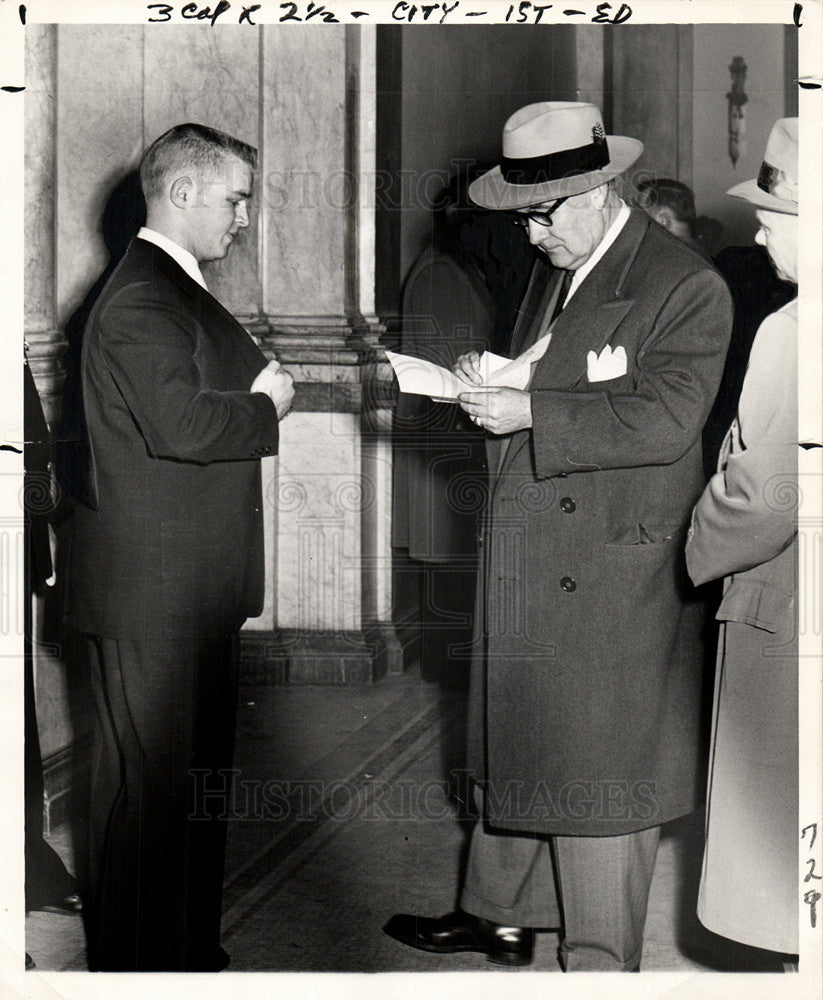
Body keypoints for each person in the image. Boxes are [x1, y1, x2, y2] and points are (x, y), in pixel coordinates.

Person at [384, 101, 732, 972]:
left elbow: (663, 418)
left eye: (540, 215)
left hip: (610, 566)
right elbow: (561, 363)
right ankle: (495, 915)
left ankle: (601, 960)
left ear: (598, 190)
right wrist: (501, 376)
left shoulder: (681, 284)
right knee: (526, 742)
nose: (531, 236)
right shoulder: (563, 265)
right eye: (522, 218)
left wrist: (528, 410)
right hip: (536, 546)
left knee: (600, 772)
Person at [62, 123, 294, 971]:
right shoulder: (141, 299)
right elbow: (186, 423)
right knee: (148, 799)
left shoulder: (169, 286)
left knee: (185, 792)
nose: (242, 217)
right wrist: (269, 403)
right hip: (151, 596)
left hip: (184, 587)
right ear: (185, 193)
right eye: (234, 199)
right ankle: (136, 968)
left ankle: (183, 951)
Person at [686, 118, 800, 956]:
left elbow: (764, 496)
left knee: (784, 841)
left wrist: (691, 535)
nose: (758, 231)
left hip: (787, 608)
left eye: (776, 212)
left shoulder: (798, 330)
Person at [634, 177, 713, 260]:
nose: (636, 219)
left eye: (641, 213)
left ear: (663, 220)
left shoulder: (670, 257)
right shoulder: (695, 253)